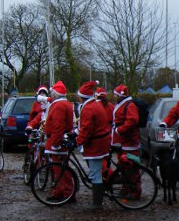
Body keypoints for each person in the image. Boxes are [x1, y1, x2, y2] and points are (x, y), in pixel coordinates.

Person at [75, 81, 111, 210]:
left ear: (82, 96)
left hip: (96, 144)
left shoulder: (89, 108)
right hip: (101, 141)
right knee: (97, 171)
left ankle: (97, 203)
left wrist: (78, 141)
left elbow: (87, 129)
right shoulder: (95, 104)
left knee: (96, 173)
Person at [43, 81, 75, 202]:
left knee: (59, 169)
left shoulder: (58, 106)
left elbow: (58, 126)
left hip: (57, 141)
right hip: (60, 139)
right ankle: (64, 191)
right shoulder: (66, 104)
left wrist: (55, 142)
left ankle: (64, 192)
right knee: (61, 168)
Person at [111, 84, 142, 198]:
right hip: (123, 140)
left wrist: (120, 130)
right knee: (124, 166)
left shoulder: (129, 105)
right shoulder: (122, 104)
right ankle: (126, 187)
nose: (114, 97)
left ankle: (135, 191)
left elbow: (132, 120)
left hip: (129, 141)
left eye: (115, 95)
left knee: (132, 168)